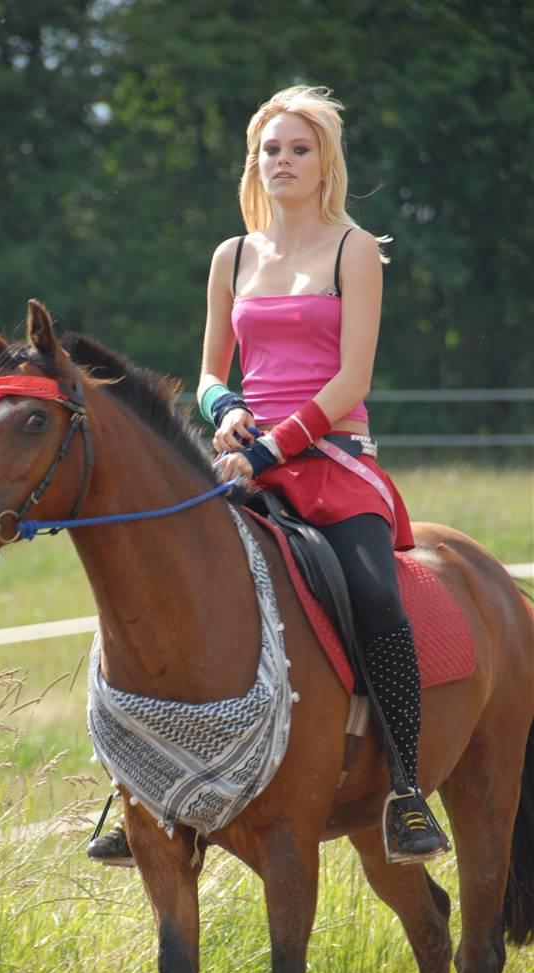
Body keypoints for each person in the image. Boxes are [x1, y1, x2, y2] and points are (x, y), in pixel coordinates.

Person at [88, 84, 448, 867]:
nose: (281, 161)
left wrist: (270, 444)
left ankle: (407, 789)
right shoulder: (233, 255)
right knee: (153, 583)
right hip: (242, 459)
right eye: (269, 150)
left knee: (376, 595)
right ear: (254, 163)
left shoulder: (355, 248)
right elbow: (212, 371)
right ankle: (133, 789)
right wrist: (223, 414)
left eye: (298, 149)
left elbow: (353, 378)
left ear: (326, 164)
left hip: (332, 462)